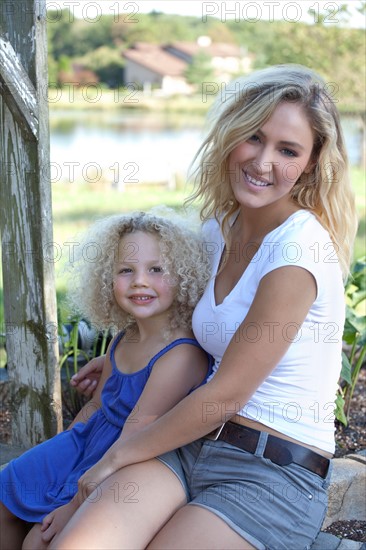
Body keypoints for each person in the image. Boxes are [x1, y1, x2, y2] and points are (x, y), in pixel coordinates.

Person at [51, 64, 358, 550]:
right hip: (191, 441)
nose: (262, 162)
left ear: (311, 163)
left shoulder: (297, 252)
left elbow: (228, 393)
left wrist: (116, 456)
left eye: (287, 151)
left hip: (271, 472)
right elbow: (184, 325)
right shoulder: (219, 229)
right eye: (253, 137)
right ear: (231, 135)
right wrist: (117, 359)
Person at [0, 211, 213, 550]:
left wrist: (71, 506)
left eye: (156, 269)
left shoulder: (180, 355)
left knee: (37, 541)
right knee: (5, 489)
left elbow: (136, 433)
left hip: (124, 458)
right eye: (126, 270)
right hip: (86, 442)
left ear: (184, 277)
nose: (139, 281)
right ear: (107, 279)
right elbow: (97, 405)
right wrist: (62, 453)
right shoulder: (122, 338)